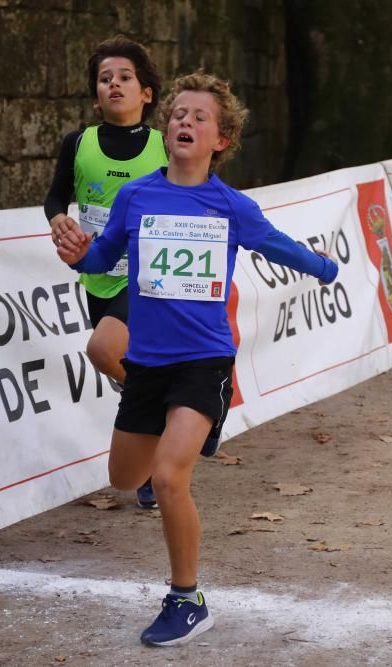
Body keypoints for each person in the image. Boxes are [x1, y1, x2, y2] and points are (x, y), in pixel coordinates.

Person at [56, 71, 338, 647]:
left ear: (221, 140)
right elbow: (100, 261)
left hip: (205, 360)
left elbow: (277, 244)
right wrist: (78, 256)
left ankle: (186, 598)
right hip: (148, 364)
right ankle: (169, 427)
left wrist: (325, 267)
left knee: (166, 478)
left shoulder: (231, 206)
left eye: (199, 117)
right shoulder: (137, 195)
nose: (185, 121)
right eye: (179, 114)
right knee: (123, 478)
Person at [43, 36, 171, 510]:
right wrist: (57, 218)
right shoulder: (78, 144)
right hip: (97, 273)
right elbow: (56, 196)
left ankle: (154, 432)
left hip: (149, 279)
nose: (113, 84)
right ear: (96, 95)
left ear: (147, 94)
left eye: (125, 77)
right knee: (132, 368)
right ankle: (153, 448)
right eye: (104, 79)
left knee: (103, 349)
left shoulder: (164, 146)